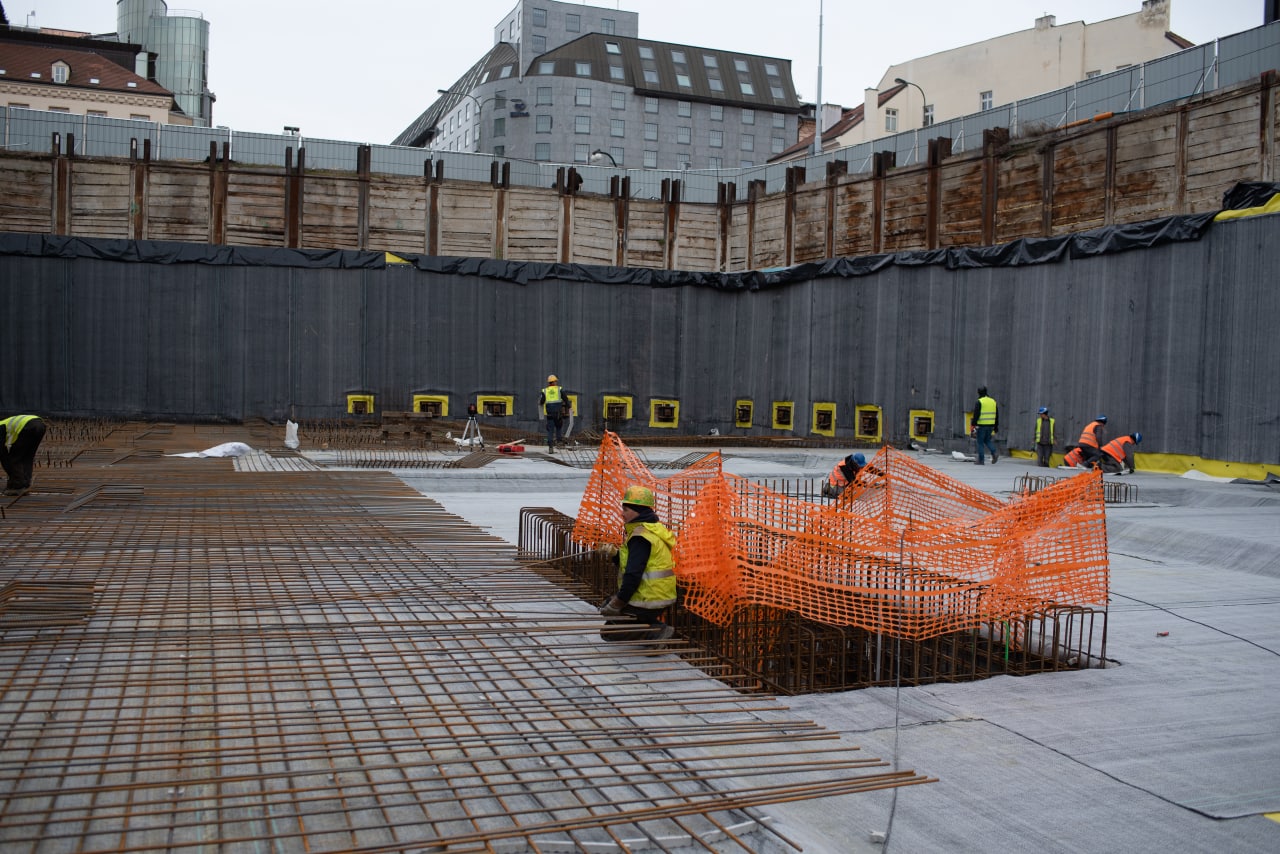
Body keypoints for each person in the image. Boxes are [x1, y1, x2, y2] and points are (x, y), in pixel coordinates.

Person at [598, 484, 678, 643]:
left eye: (625, 510)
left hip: (649, 599)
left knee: (609, 633)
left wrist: (618, 602)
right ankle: (647, 623)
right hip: (659, 595)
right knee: (609, 607)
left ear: (637, 511)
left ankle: (655, 630)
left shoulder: (641, 536)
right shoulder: (653, 529)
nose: (622, 514)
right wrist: (615, 554)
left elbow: (633, 574)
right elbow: (637, 562)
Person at [1, 414, 47, 496]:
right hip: (40, 425)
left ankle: (17, 487)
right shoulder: (4, 424)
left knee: (13, 459)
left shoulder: (1, 427)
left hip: (27, 427)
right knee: (27, 457)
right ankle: (25, 484)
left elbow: (3, 453)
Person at [539, 374, 568, 453]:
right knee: (558, 428)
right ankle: (559, 443)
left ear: (549, 382)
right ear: (554, 382)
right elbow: (565, 399)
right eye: (556, 381)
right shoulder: (559, 389)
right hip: (558, 414)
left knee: (550, 430)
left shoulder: (545, 391)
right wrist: (569, 407)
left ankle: (550, 447)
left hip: (549, 414)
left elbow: (541, 402)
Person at [971, 386, 999, 465]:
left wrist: (973, 425)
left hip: (982, 425)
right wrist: (996, 426)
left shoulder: (979, 401)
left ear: (979, 393)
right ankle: (994, 453)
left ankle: (981, 460)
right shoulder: (993, 401)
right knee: (987, 440)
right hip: (991, 425)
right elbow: (997, 415)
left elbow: (976, 414)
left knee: (980, 442)